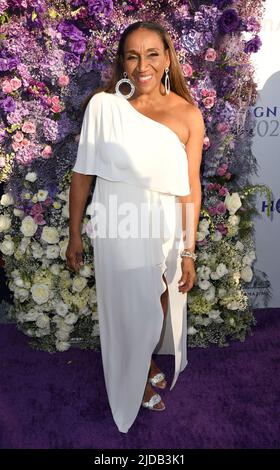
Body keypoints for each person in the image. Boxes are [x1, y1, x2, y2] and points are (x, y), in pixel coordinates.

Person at [66, 21, 204, 434]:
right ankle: (135, 375)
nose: (142, 65)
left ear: (167, 59)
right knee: (128, 302)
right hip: (117, 221)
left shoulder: (188, 114)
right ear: (122, 62)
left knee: (157, 297)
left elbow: (191, 185)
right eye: (132, 55)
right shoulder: (104, 107)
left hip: (164, 224)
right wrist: (74, 232)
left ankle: (142, 358)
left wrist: (188, 249)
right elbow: (82, 175)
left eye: (152, 54)